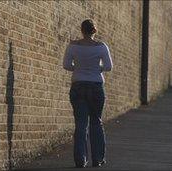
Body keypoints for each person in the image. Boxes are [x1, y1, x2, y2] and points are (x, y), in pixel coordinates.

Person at [63, 19, 113, 168]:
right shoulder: (101, 47)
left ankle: (80, 160)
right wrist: (96, 69)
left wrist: (78, 69)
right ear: (94, 31)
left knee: (80, 124)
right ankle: (97, 159)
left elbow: (66, 65)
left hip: (78, 86)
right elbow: (109, 67)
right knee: (96, 122)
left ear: (81, 30)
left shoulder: (73, 46)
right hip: (96, 87)